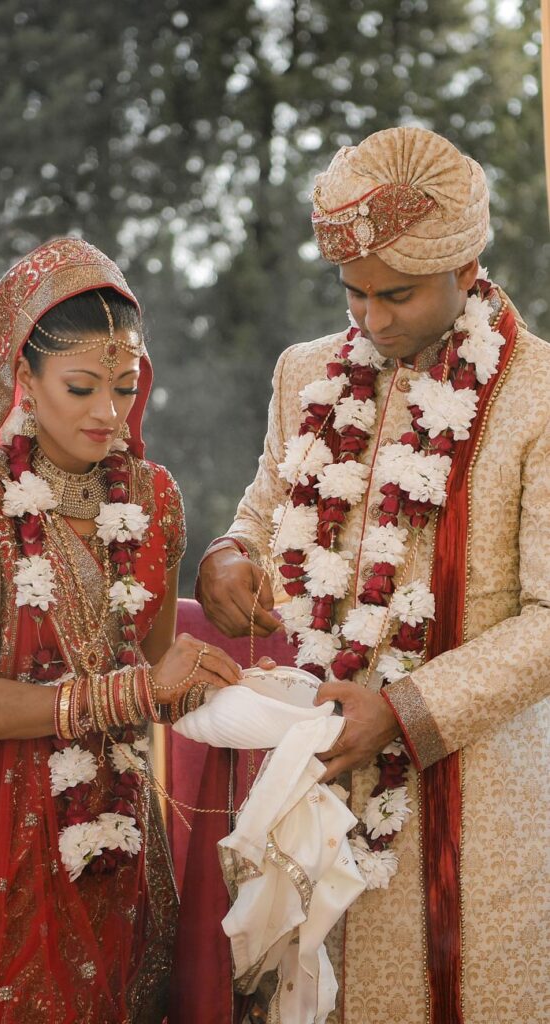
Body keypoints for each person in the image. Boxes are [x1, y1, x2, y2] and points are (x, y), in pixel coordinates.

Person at [183, 127, 550, 1023]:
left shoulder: (538, 392)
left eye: (399, 294)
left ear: (467, 267)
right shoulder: (305, 373)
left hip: (478, 805)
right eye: (353, 294)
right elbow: (262, 517)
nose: (374, 320)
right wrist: (227, 557)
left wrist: (404, 712)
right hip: (306, 791)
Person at [0, 237, 241, 1023]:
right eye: (81, 387)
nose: (110, 413)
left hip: (117, 817)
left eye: (125, 386)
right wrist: (142, 689)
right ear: (24, 382)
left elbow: (156, 660)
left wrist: (225, 687)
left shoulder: (152, 497)